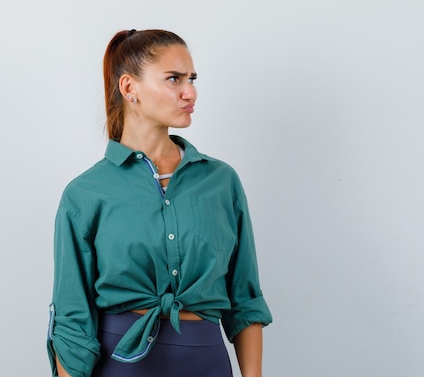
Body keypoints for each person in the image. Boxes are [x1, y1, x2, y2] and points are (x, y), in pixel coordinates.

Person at [46, 29, 272, 377]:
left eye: (192, 79)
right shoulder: (85, 194)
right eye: (174, 79)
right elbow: (72, 319)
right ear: (128, 88)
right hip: (122, 365)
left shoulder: (221, 182)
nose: (190, 92)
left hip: (207, 363)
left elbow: (245, 299)